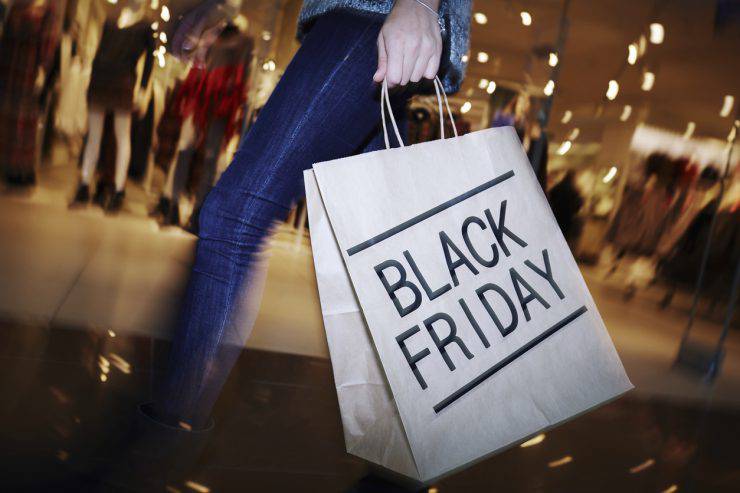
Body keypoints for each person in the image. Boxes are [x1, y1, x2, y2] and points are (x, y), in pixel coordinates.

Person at [104, 0, 471, 489]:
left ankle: (149, 461)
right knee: (380, 266)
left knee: (234, 215)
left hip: (374, 15)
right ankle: (401, 468)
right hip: (383, 22)